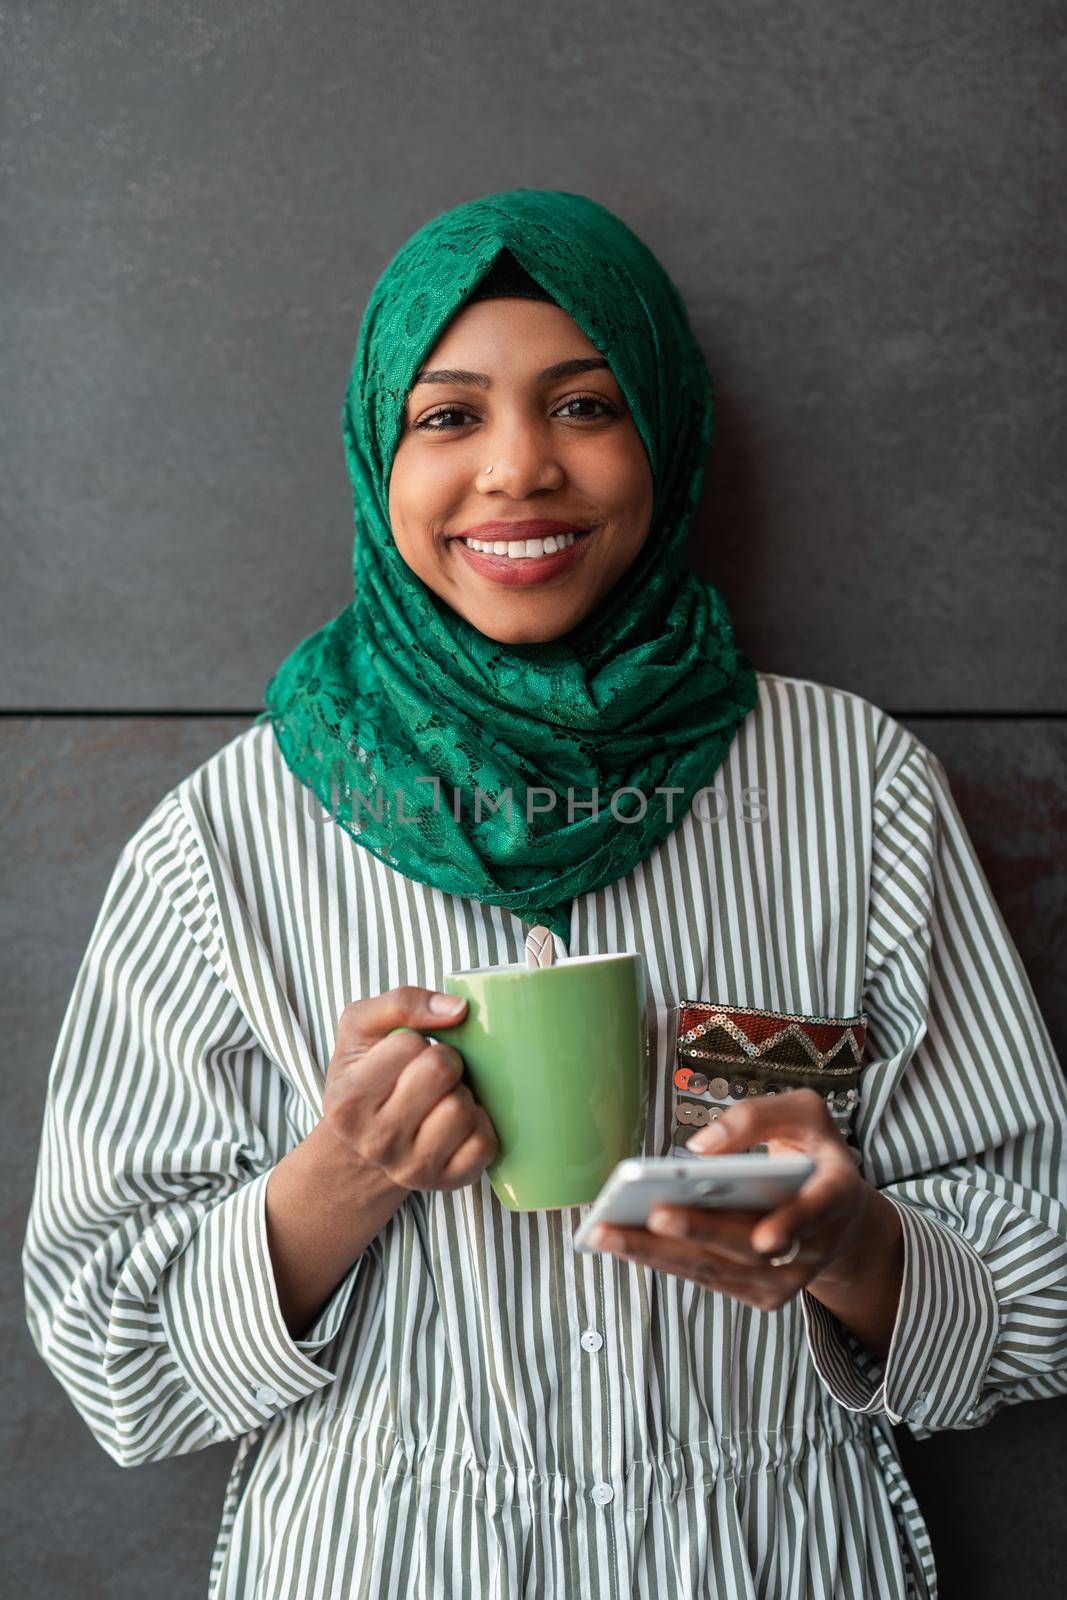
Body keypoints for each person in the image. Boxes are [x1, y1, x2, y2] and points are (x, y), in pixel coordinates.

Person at [22, 189, 1067, 1600]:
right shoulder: (229, 835)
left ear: (669, 432)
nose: (519, 470)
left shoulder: (853, 786)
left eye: (586, 405)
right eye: (448, 417)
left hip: (765, 1562)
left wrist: (849, 1243)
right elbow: (113, 1364)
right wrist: (339, 1181)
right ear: (373, 455)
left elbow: (1041, 1277)